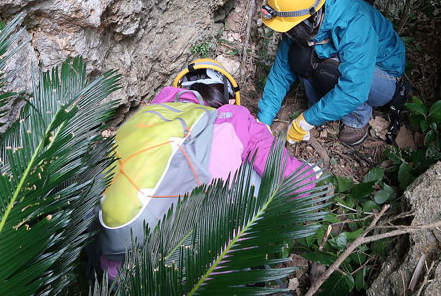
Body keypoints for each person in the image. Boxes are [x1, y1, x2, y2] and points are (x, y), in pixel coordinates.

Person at [91, 58, 318, 280]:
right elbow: (288, 177)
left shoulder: (142, 120)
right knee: (252, 169)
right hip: (197, 264)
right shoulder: (232, 117)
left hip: (117, 269)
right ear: (226, 97)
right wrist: (311, 178)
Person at [256, 0, 407, 146]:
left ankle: (356, 119)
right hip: (349, 68)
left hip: (382, 78)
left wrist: (306, 121)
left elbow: (354, 88)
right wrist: (263, 121)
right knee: (298, 56)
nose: (288, 34)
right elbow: (281, 72)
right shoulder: (303, 16)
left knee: (329, 70)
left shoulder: (355, 23)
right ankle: (326, 105)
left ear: (312, 16)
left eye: (291, 28)